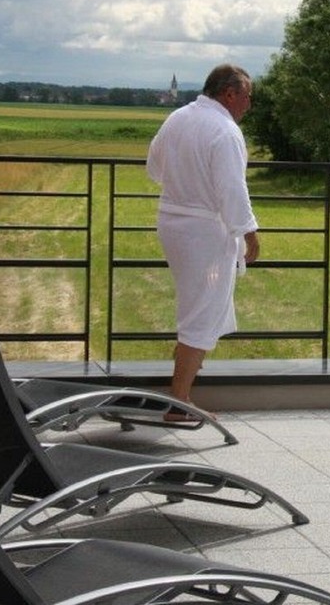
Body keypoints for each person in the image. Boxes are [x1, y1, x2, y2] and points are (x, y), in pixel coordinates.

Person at [147, 63, 259, 419]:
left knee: (200, 306)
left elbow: (154, 168)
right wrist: (250, 234)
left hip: (172, 224)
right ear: (229, 93)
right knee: (200, 312)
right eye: (247, 97)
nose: (248, 105)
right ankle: (179, 402)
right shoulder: (224, 130)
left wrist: (185, 186)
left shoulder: (178, 117)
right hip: (203, 233)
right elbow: (232, 190)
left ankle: (184, 389)